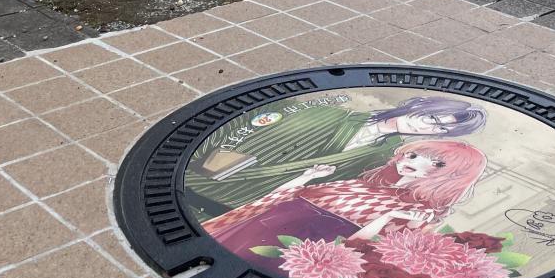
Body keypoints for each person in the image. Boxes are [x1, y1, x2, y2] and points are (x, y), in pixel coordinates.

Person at [184, 95, 487, 220]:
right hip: (201, 182)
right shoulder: (331, 113)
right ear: (419, 104)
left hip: (239, 207)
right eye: (431, 117)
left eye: (441, 128)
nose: (427, 127)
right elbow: (243, 123)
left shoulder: (386, 156)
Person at [201, 139, 488, 265]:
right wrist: (307, 176)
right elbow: (288, 198)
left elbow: (362, 250)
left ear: (454, 176)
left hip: (296, 246)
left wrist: (387, 218)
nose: (414, 161)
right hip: (260, 225)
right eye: (413, 155)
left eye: (436, 163)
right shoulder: (364, 184)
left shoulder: (419, 212)